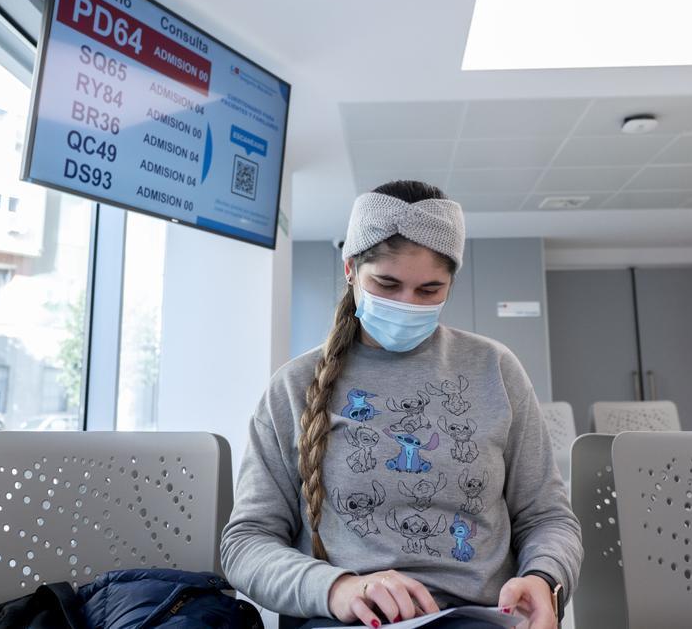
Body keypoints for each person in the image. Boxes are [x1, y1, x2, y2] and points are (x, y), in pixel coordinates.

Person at [221, 181, 582, 629]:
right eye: (387, 284)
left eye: (429, 291)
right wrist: (337, 588)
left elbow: (547, 516)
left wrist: (545, 579)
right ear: (351, 268)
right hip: (344, 620)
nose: (406, 305)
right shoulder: (294, 386)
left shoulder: (496, 370)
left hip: (475, 618)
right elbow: (246, 542)